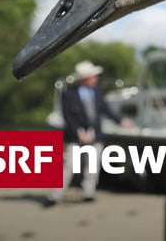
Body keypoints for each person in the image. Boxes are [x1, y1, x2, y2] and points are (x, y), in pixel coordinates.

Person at [44, 60, 133, 207]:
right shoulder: (69, 94)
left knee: (92, 165)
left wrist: (121, 120)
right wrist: (78, 132)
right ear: (85, 78)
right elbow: (67, 116)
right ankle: (55, 195)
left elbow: (105, 109)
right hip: (76, 134)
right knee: (69, 165)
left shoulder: (97, 92)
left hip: (94, 133)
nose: (96, 78)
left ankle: (88, 193)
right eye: (93, 76)